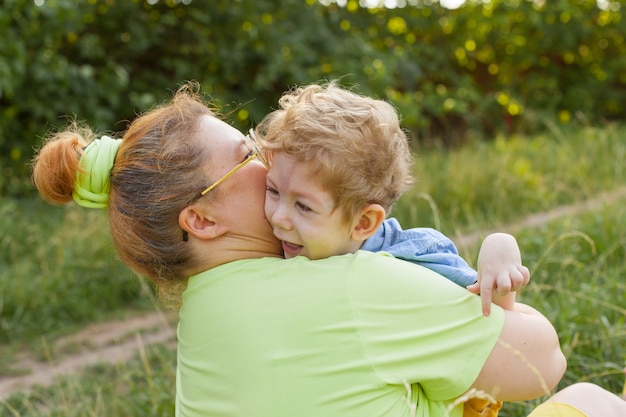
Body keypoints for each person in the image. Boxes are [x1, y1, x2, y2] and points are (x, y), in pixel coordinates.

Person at [31, 82, 623, 417]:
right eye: (247, 157)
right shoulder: (349, 286)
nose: (267, 165)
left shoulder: (203, 318)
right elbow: (541, 362)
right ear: (203, 220)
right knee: (592, 402)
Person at [257, 82, 528, 317]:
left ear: (363, 222)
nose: (278, 217)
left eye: (303, 206)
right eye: (273, 191)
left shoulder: (411, 259)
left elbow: (494, 320)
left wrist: (499, 251)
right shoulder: (271, 243)